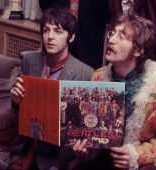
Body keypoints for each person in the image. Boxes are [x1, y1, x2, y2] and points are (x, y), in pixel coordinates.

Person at [72, 12, 156, 170]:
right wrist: (85, 145)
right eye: (112, 33)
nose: (111, 39)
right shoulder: (98, 77)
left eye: (121, 36)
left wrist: (135, 155)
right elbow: (91, 125)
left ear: (138, 50)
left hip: (141, 164)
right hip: (104, 156)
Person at [8, 7, 94, 170]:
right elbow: (19, 109)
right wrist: (15, 100)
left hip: (59, 154)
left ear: (71, 37)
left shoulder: (86, 73)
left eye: (58, 31)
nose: (50, 37)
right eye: (46, 31)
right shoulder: (29, 61)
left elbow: (84, 126)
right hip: (29, 145)